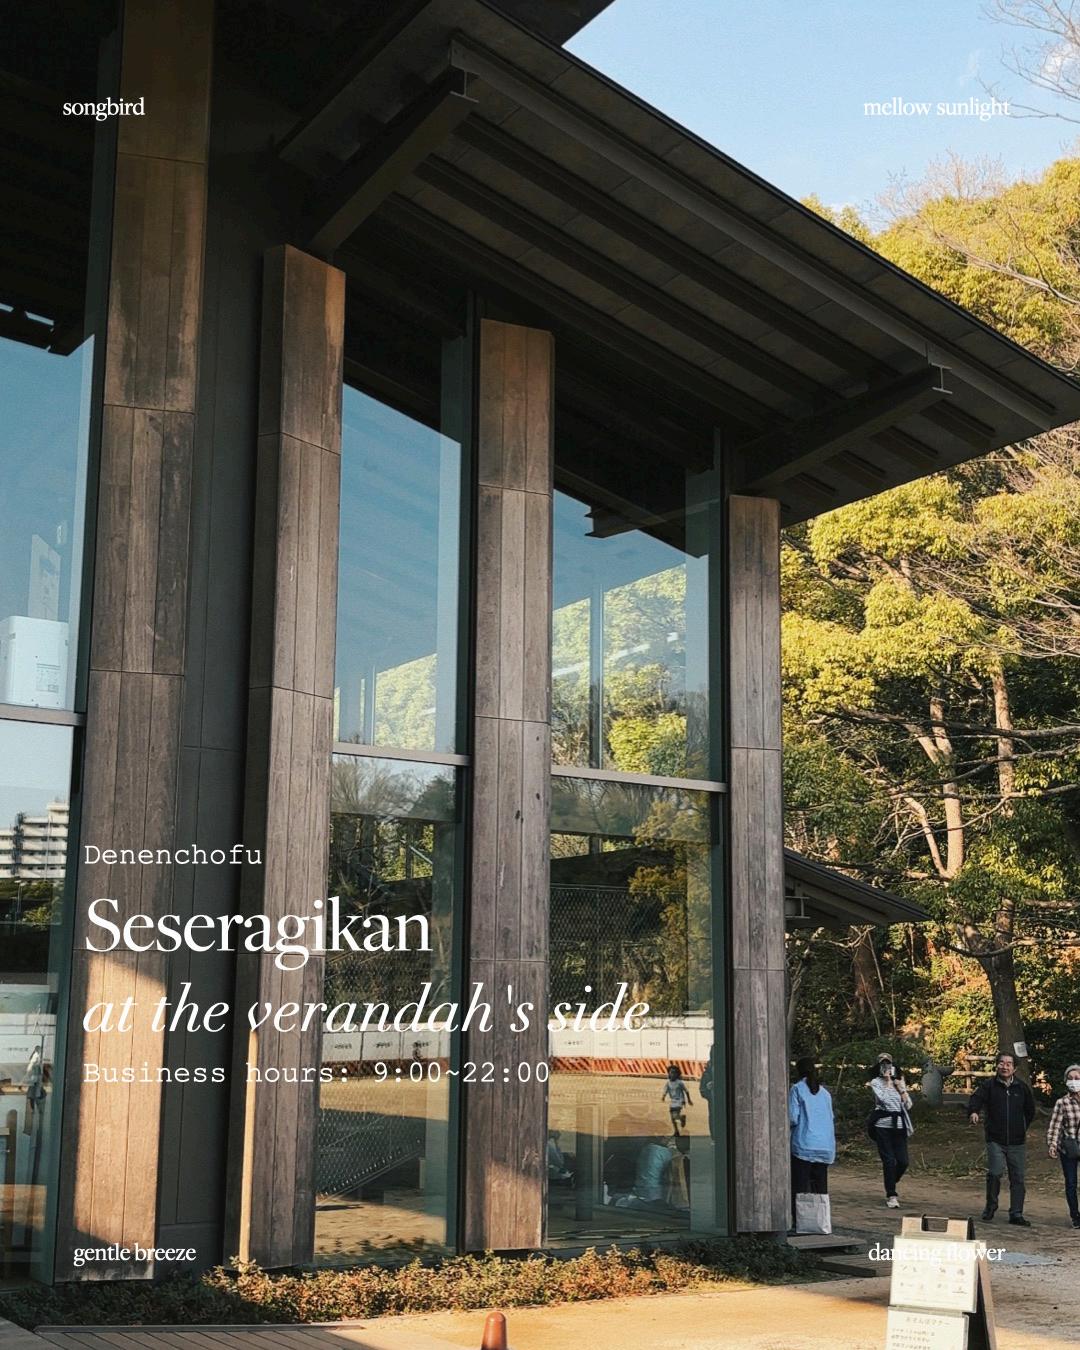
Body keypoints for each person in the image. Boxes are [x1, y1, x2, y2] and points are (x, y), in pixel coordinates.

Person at [967, 1051, 1036, 1225]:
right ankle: (991, 1206)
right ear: (997, 1065)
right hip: (995, 1139)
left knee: (1018, 1177)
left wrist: (1021, 1128)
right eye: (1002, 1063)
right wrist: (974, 1112)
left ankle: (1016, 1213)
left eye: (1009, 1064)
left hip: (1017, 1141)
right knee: (995, 1173)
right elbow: (976, 1099)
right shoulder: (988, 1086)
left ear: (1014, 1068)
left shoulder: (1021, 1088)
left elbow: (1030, 1111)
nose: (1005, 1067)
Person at [789, 1056, 835, 1229]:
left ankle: (800, 1221)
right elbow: (830, 1117)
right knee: (820, 1187)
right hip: (825, 1145)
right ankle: (821, 1222)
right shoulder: (825, 1093)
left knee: (800, 1186)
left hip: (804, 1144)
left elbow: (793, 1117)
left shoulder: (797, 1089)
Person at [868, 1051, 913, 1208]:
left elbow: (908, 1105)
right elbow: (884, 1100)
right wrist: (887, 1082)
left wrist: (901, 1089)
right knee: (888, 1160)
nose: (886, 1067)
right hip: (882, 1126)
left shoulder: (899, 1081)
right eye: (883, 1064)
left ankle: (891, 1180)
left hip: (899, 1126)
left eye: (888, 1064)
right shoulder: (875, 1082)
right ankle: (891, 1194)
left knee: (903, 1161)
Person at [1046, 1064, 1080, 1229]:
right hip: (1069, 1147)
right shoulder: (1062, 1102)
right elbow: (1056, 1126)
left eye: (1077, 1078)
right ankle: (1075, 1216)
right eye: (1070, 1078)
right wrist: (1052, 1144)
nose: (1074, 1081)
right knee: (1071, 1183)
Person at [662, 1064, 692, 1135]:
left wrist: (688, 1100)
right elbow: (665, 1090)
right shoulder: (668, 1083)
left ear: (677, 1074)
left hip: (679, 1100)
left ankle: (681, 1118)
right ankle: (676, 1131)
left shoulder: (680, 1083)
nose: (672, 1074)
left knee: (675, 1115)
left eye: (674, 1073)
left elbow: (686, 1091)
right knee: (672, 1117)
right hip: (673, 1101)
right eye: (671, 1072)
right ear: (669, 1073)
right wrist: (663, 1096)